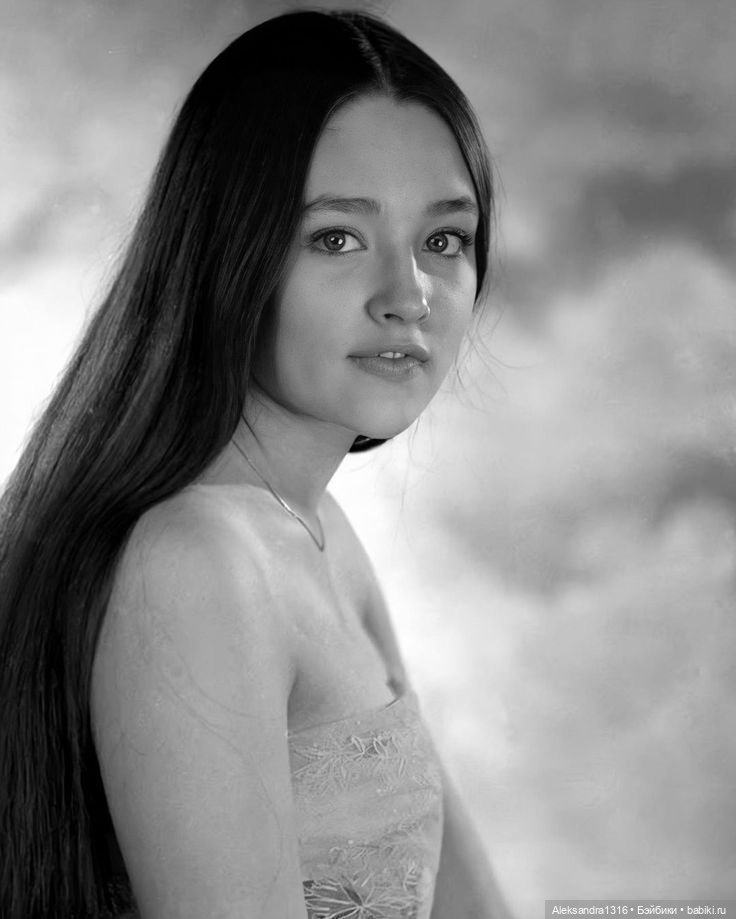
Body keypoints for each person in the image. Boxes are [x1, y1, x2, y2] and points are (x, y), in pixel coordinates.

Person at [0, 9, 512, 918]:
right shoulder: (196, 562)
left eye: (444, 240)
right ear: (225, 252)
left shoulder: (312, 528)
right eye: (337, 237)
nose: (408, 296)